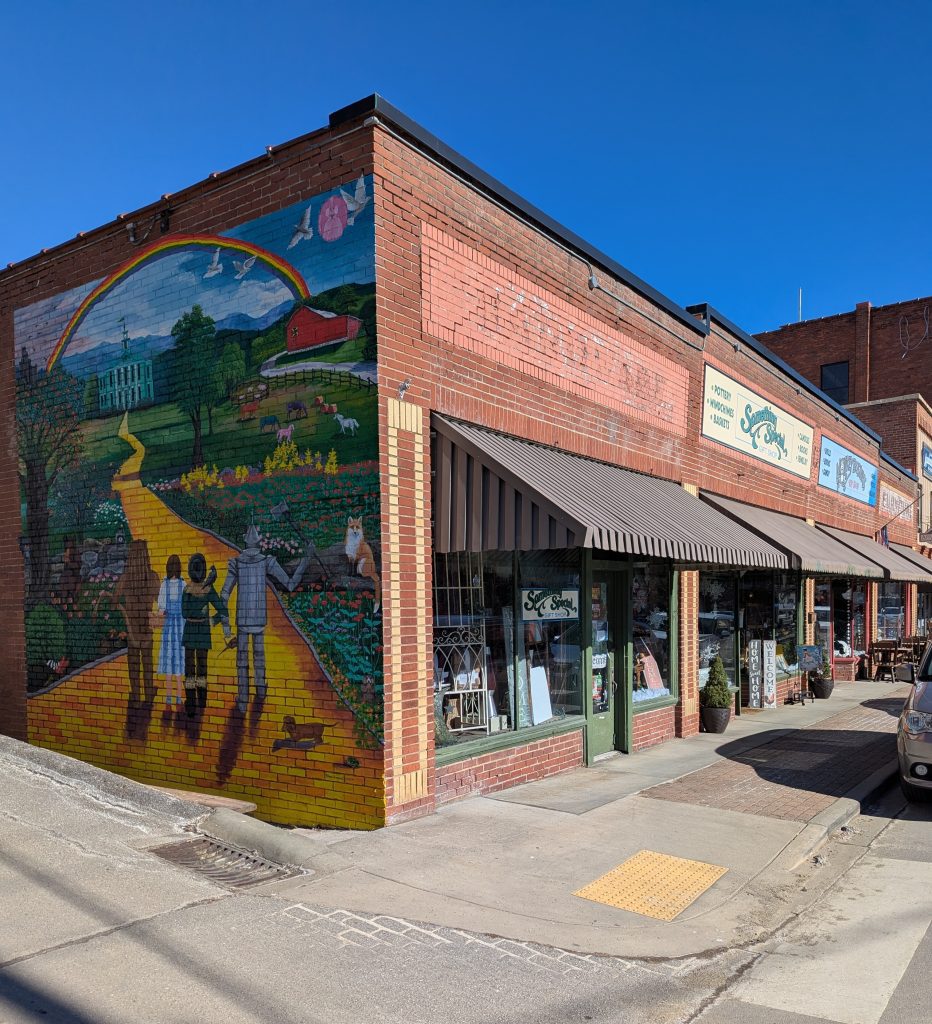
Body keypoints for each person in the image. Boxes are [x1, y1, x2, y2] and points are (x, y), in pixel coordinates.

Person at [220, 525, 312, 713]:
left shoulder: (236, 563)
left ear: (245, 540)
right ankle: (260, 689)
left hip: (243, 620)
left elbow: (223, 595)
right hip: (259, 619)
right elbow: (290, 584)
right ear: (259, 541)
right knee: (259, 656)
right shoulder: (266, 562)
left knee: (242, 659)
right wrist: (306, 560)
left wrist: (226, 628)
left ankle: (243, 699)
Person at [113, 539, 161, 702]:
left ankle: (135, 693)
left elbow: (114, 599)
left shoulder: (126, 578)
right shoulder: (153, 577)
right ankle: (149, 693)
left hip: (132, 627)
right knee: (147, 663)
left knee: (133, 663)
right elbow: (158, 600)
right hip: (146, 626)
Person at [181, 553, 227, 718]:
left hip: (190, 630)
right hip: (203, 630)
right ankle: (202, 699)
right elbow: (222, 609)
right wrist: (211, 620)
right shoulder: (208, 589)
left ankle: (191, 704)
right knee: (202, 667)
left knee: (189, 669)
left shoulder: (187, 590)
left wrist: (197, 612)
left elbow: (184, 613)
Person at [157, 554, 185, 708]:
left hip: (168, 629)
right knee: (179, 661)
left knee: (169, 660)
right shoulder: (184, 584)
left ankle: (168, 696)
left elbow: (161, 610)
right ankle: (179, 697)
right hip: (180, 628)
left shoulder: (164, 586)